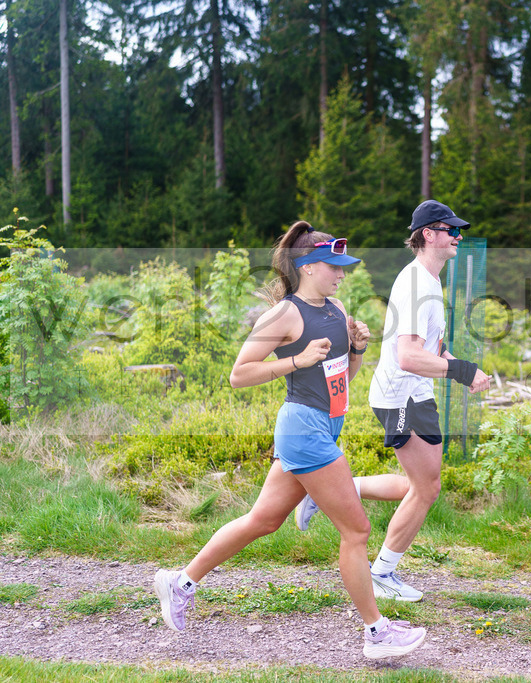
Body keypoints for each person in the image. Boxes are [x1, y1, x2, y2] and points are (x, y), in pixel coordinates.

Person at [153, 221, 426, 660]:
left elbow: (343, 380)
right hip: (304, 430)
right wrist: (297, 359)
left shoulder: (337, 309)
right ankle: (377, 633)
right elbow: (239, 374)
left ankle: (179, 582)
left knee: (263, 520)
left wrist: (356, 349)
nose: (342, 274)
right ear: (308, 266)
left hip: (325, 424)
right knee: (357, 530)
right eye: (334, 266)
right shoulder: (284, 315)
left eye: (343, 267)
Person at [294, 200, 490, 602]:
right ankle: (382, 574)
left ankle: (331, 491)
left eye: (459, 231)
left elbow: (431, 348)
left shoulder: (430, 281)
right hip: (400, 395)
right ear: (428, 234)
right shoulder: (416, 282)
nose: (458, 237)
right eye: (451, 230)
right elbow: (408, 357)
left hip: (416, 392)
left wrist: (462, 367)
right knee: (426, 488)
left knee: (422, 486)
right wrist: (463, 371)